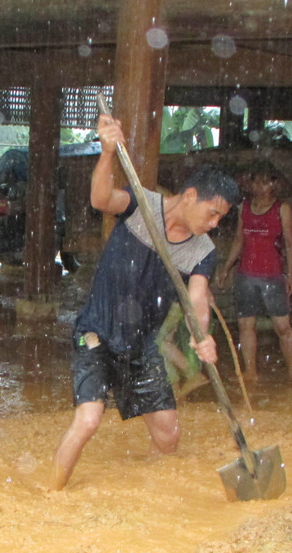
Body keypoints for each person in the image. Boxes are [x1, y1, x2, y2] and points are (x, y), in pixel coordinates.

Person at [50, 113, 240, 491]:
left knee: (168, 436)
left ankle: (146, 494)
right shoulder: (142, 205)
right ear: (189, 196)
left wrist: (202, 335)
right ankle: (49, 493)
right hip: (98, 333)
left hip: (141, 345)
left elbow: (197, 299)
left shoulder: (203, 251)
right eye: (213, 212)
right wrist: (106, 153)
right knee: (88, 420)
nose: (215, 223)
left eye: (222, 217)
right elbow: (101, 198)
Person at [216, 161, 292, 386]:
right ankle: (250, 372)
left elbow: (290, 244)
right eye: (257, 181)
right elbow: (239, 238)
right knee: (247, 325)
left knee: (283, 327)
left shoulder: (281, 209)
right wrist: (227, 267)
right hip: (246, 274)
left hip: (273, 276)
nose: (261, 186)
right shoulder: (244, 207)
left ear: (274, 185)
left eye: (266, 182)